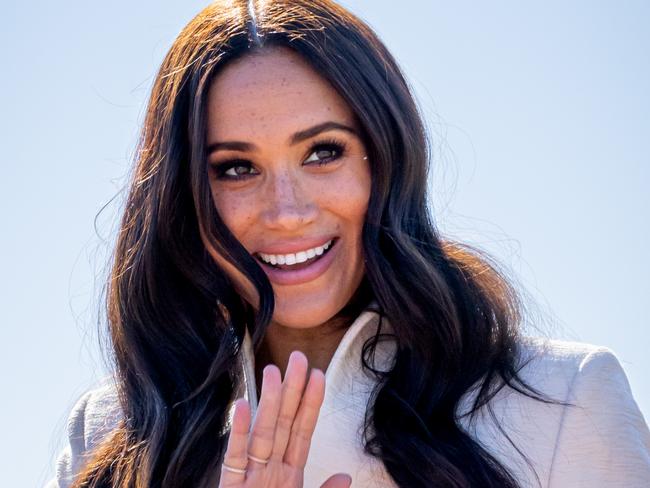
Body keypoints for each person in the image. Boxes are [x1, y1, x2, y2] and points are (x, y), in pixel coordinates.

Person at [47, 1, 650, 487]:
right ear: (183, 195)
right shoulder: (108, 437)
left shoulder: (565, 400)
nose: (287, 212)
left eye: (323, 152)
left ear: (385, 161)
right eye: (235, 167)